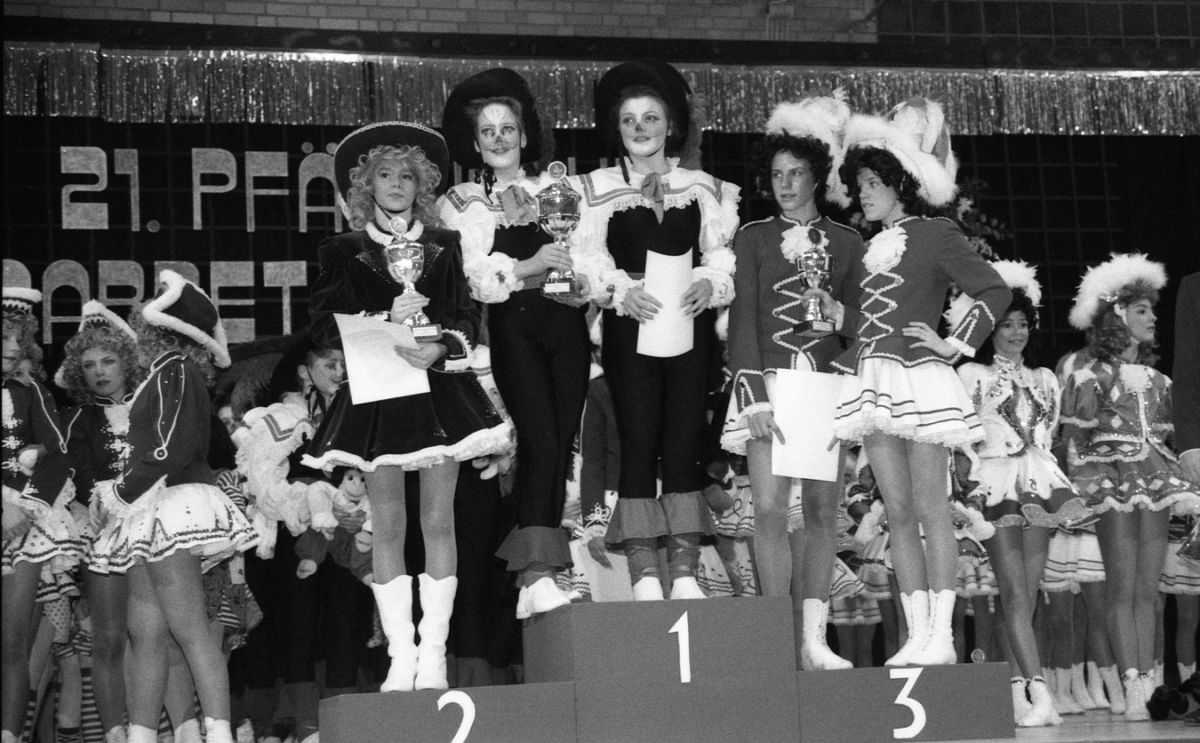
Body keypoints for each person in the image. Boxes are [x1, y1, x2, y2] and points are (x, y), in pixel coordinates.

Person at [301, 121, 511, 692]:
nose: (396, 184)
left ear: (423, 185)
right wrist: (380, 320)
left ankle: (434, 656)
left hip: (436, 389)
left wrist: (442, 344)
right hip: (377, 390)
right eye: (385, 175)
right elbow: (320, 323)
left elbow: (466, 314)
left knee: (439, 520)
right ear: (366, 185)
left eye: (407, 176)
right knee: (388, 522)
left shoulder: (445, 244)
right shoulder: (344, 250)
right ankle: (401, 657)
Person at [807, 98, 1011, 666]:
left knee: (931, 508)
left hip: (920, 380)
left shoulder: (936, 233)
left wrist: (956, 342)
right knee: (897, 513)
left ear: (901, 184)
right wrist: (838, 316)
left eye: (873, 184)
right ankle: (918, 635)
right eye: (860, 185)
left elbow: (994, 290)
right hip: (873, 381)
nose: (863, 194)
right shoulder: (869, 246)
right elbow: (872, 323)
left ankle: (943, 633)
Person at [570, 59, 739, 600]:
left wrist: (711, 282)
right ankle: (644, 572)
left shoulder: (705, 188)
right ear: (616, 128)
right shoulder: (593, 189)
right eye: (629, 120)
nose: (640, 128)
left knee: (684, 439)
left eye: (650, 118)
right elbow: (588, 260)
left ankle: (685, 571)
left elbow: (720, 255)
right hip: (631, 328)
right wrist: (620, 290)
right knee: (638, 439)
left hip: (689, 327)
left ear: (671, 126)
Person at [439, 68, 587, 618]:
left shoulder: (562, 190)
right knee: (540, 441)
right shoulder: (464, 201)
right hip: (514, 328)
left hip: (566, 326)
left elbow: (587, 256)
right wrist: (531, 264)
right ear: (476, 144)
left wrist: (583, 282)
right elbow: (475, 278)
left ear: (524, 136)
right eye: (488, 131)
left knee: (561, 444)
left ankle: (540, 575)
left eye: (507, 129)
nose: (499, 138)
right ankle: (534, 571)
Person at [721, 96, 864, 669]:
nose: (784, 184)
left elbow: (861, 324)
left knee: (825, 514)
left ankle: (814, 640)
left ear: (816, 177)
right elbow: (742, 323)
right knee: (770, 512)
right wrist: (751, 398)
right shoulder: (753, 237)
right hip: (772, 385)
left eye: (795, 174)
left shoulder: (848, 242)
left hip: (826, 385)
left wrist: (849, 388)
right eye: (776, 175)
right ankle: (776, 641)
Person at [88, 270, 258, 743]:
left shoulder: (175, 370)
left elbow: (172, 448)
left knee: (191, 631)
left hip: (173, 502)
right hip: (151, 506)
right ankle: (142, 735)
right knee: (146, 635)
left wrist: (118, 492)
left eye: (141, 327)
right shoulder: (164, 373)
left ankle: (219, 734)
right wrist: (121, 494)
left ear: (156, 331)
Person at [58, 300, 210, 743]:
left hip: (157, 525)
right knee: (107, 639)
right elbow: (81, 475)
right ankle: (116, 733)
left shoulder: (156, 397)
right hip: (106, 530)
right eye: (89, 365)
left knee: (167, 634)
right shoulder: (79, 418)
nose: (99, 371)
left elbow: (185, 450)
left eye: (108, 360)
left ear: (127, 359)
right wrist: (102, 502)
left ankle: (185, 730)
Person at [1060, 252, 1200, 720]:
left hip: (1155, 478)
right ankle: (1132, 684)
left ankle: (1151, 681)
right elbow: (1074, 441)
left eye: (1152, 310)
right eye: (1143, 310)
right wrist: (1086, 487)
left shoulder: (1161, 380)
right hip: (1112, 480)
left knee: (1148, 592)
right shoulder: (1089, 375)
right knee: (1121, 589)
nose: (1153, 318)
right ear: (1117, 315)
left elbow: (1167, 435)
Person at [952, 261, 1089, 725]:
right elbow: (962, 438)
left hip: (1041, 484)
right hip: (994, 485)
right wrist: (966, 493)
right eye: (1006, 325)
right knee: (1013, 594)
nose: (1016, 333)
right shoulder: (972, 374)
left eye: (1023, 324)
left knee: (1027, 598)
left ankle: (1016, 693)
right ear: (989, 330)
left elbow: (1048, 437)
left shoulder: (1046, 378)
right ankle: (1040, 692)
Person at [235, 333, 348, 740]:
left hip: (345, 531)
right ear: (304, 372)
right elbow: (261, 479)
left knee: (343, 621)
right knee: (297, 623)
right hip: (292, 533)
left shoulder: (354, 412)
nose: (340, 372)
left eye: (344, 364)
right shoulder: (282, 418)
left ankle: (343, 720)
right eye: (329, 364)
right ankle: (302, 722)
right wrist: (300, 504)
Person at [1, 287, 78, 743]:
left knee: (14, 645)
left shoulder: (30, 391)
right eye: (5, 338)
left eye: (19, 339)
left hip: (22, 526)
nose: (14, 348)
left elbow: (58, 454)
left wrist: (24, 508)